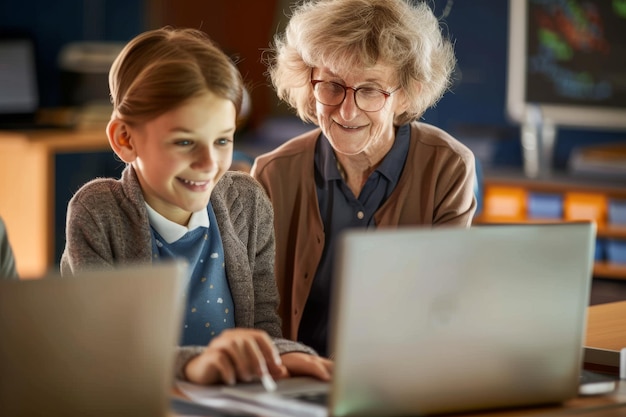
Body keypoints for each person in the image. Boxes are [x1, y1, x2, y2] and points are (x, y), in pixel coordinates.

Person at [60, 27, 332, 386]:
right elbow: (105, 349)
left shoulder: (247, 203)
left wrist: (287, 353)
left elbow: (263, 328)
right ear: (125, 139)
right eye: (185, 142)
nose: (208, 163)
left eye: (222, 140)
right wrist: (193, 365)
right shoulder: (98, 212)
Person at [251, 0, 477, 357]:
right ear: (309, 85)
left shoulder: (447, 167)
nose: (347, 110)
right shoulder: (272, 173)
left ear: (406, 93)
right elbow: (256, 310)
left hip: (401, 370)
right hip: (296, 376)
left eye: (370, 89)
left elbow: (443, 301)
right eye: (332, 86)